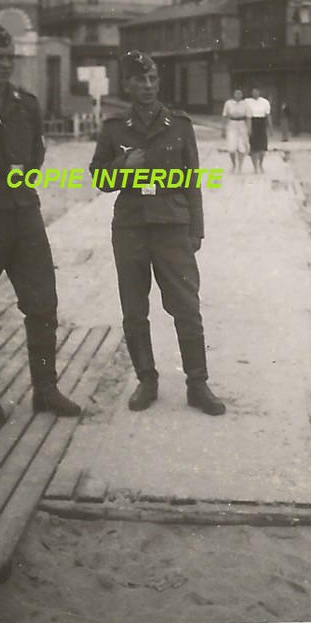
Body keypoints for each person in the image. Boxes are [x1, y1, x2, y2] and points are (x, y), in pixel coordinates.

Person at [0, 23, 81, 425]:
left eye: (10, 57)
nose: (6, 64)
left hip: (25, 218)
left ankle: (45, 390)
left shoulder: (28, 104)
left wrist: (16, 189)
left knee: (43, 304)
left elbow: (36, 153)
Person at [89, 51, 225, 416]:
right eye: (139, 80)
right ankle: (147, 381)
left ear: (157, 81)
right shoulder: (114, 127)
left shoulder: (179, 124)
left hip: (172, 227)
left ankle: (198, 384)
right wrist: (122, 164)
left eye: (152, 79)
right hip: (131, 227)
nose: (147, 86)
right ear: (127, 85)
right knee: (134, 310)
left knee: (187, 307)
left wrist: (196, 229)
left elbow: (193, 180)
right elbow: (99, 179)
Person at [221, 87, 250, 173]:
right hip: (231, 124)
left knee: (241, 147)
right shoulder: (228, 103)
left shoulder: (245, 104)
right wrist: (223, 128)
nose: (238, 95)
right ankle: (234, 164)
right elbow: (225, 116)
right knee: (231, 148)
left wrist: (249, 128)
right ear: (233, 94)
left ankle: (240, 167)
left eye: (240, 93)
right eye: (236, 93)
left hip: (242, 124)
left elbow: (248, 117)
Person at [245, 86, 272, 172]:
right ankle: (255, 167)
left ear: (259, 92)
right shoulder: (247, 102)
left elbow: (268, 116)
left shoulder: (265, 102)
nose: (255, 93)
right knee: (253, 148)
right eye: (253, 92)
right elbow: (248, 117)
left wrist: (270, 127)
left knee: (262, 147)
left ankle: (260, 164)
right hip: (252, 122)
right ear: (251, 93)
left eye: (257, 91)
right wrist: (248, 128)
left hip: (262, 123)